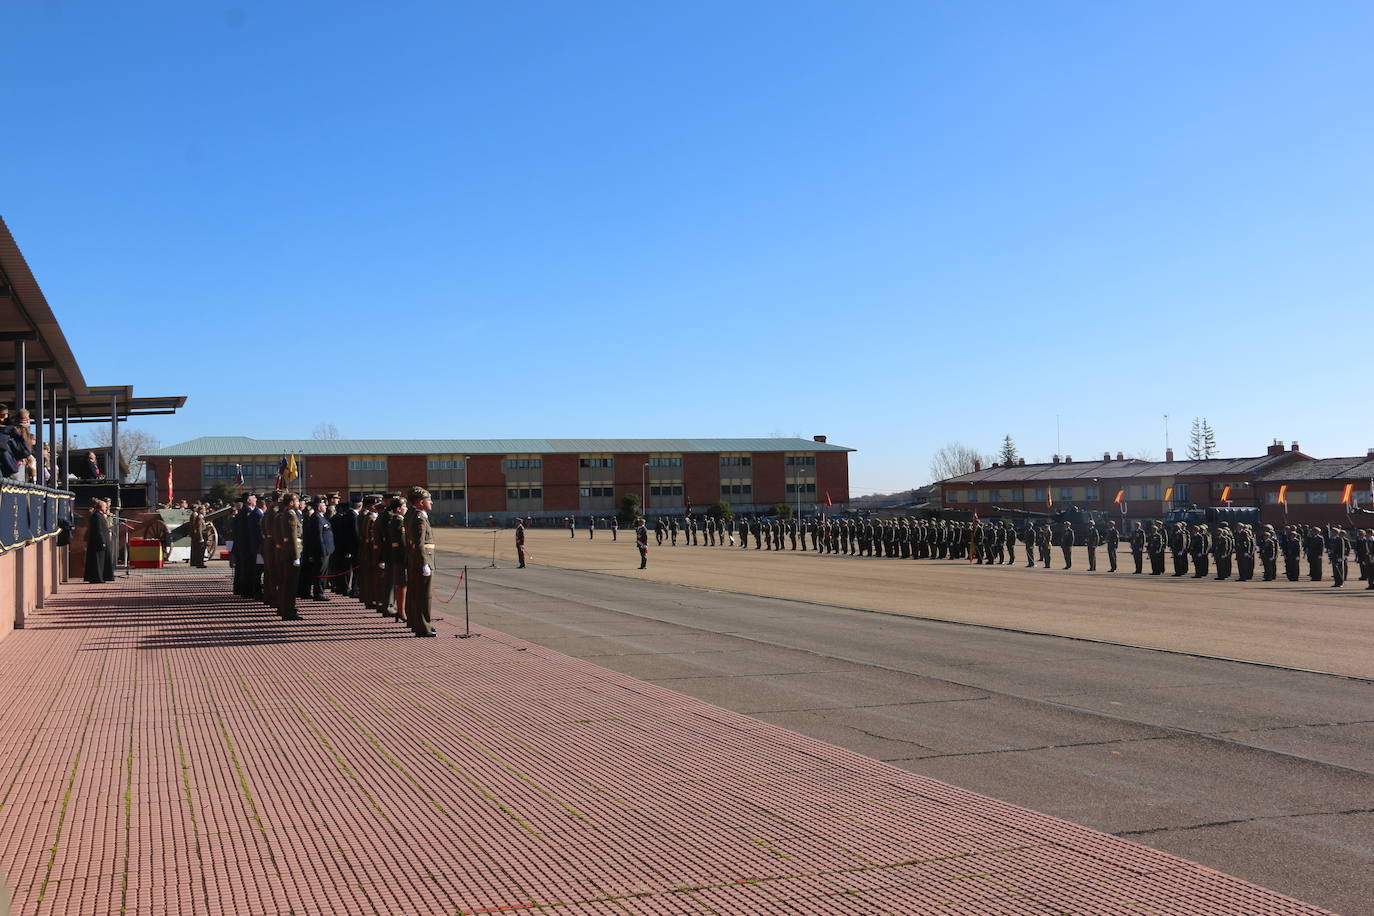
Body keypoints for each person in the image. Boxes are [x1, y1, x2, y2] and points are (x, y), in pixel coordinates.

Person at [404, 487, 437, 636]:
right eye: (428, 499)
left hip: (415, 559)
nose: (431, 502)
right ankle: (424, 627)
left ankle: (416, 622)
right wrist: (424, 563)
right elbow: (419, 543)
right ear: (420, 502)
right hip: (422, 559)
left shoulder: (412, 514)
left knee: (415, 593)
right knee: (424, 595)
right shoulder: (419, 517)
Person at [302, 498, 335, 601]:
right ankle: (319, 593)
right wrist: (322, 551)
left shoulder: (321, 517)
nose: (325, 507)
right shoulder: (316, 518)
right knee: (320, 572)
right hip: (321, 551)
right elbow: (318, 536)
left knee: (323, 572)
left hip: (326, 550)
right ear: (319, 506)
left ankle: (320, 592)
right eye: (324, 505)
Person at [383, 495, 409, 623]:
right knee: (402, 585)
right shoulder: (398, 521)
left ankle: (401, 611)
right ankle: (401, 612)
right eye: (404, 506)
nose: (406, 508)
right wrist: (407, 557)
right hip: (400, 557)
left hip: (396, 556)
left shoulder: (394, 520)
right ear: (398, 509)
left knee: (401, 585)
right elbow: (402, 542)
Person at [277, 492, 302, 620]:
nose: (299, 503)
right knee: (290, 585)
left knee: (288, 584)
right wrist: (296, 557)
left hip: (288, 552)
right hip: (291, 553)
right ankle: (289, 611)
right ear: (291, 503)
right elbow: (293, 537)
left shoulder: (286, 514)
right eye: (297, 501)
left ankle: (287, 609)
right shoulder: (290, 515)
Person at [331, 499, 360, 596]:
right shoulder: (352, 516)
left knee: (341, 569)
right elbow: (353, 534)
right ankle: (353, 589)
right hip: (349, 547)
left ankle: (342, 587)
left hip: (340, 547)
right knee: (350, 569)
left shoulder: (339, 517)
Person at [84, 499, 113, 583]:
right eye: (105, 507)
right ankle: (97, 578)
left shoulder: (100, 515)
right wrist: (102, 541)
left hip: (101, 541)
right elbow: (98, 530)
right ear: (101, 507)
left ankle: (103, 576)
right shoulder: (96, 516)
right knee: (97, 561)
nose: (106, 508)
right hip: (98, 542)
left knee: (101, 561)